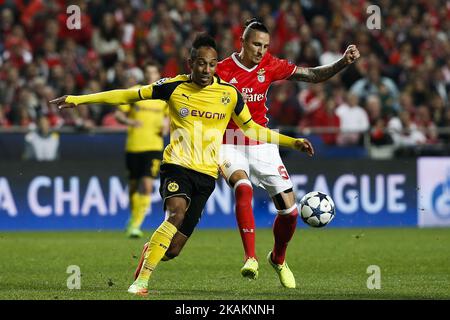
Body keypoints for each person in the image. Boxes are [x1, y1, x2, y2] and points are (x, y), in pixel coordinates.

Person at [50, 34, 314, 296]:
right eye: (201, 64)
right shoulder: (173, 86)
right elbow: (128, 95)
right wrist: (78, 99)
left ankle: (151, 250)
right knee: (175, 214)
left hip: (206, 175)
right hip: (176, 165)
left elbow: (253, 129)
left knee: (173, 249)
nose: (206, 70)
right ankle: (141, 283)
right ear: (190, 63)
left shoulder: (229, 94)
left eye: (211, 65)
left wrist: (292, 142)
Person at [164, 19, 360, 289]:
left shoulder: (271, 65)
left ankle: (278, 259)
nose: (260, 51)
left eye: (265, 46)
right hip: (227, 142)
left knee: (290, 213)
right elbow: (189, 90)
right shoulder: (219, 69)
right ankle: (251, 258)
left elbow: (313, 75)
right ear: (242, 42)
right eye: (256, 44)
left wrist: (342, 63)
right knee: (242, 188)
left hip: (261, 142)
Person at [115, 63, 169, 238]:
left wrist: (166, 127)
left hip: (153, 146)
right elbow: (118, 114)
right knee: (132, 186)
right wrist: (130, 122)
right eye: (147, 72)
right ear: (144, 75)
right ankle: (133, 218)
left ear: (157, 74)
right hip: (133, 146)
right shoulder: (135, 92)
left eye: (153, 72)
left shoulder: (163, 96)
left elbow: (169, 117)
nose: (150, 75)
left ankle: (136, 224)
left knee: (146, 185)